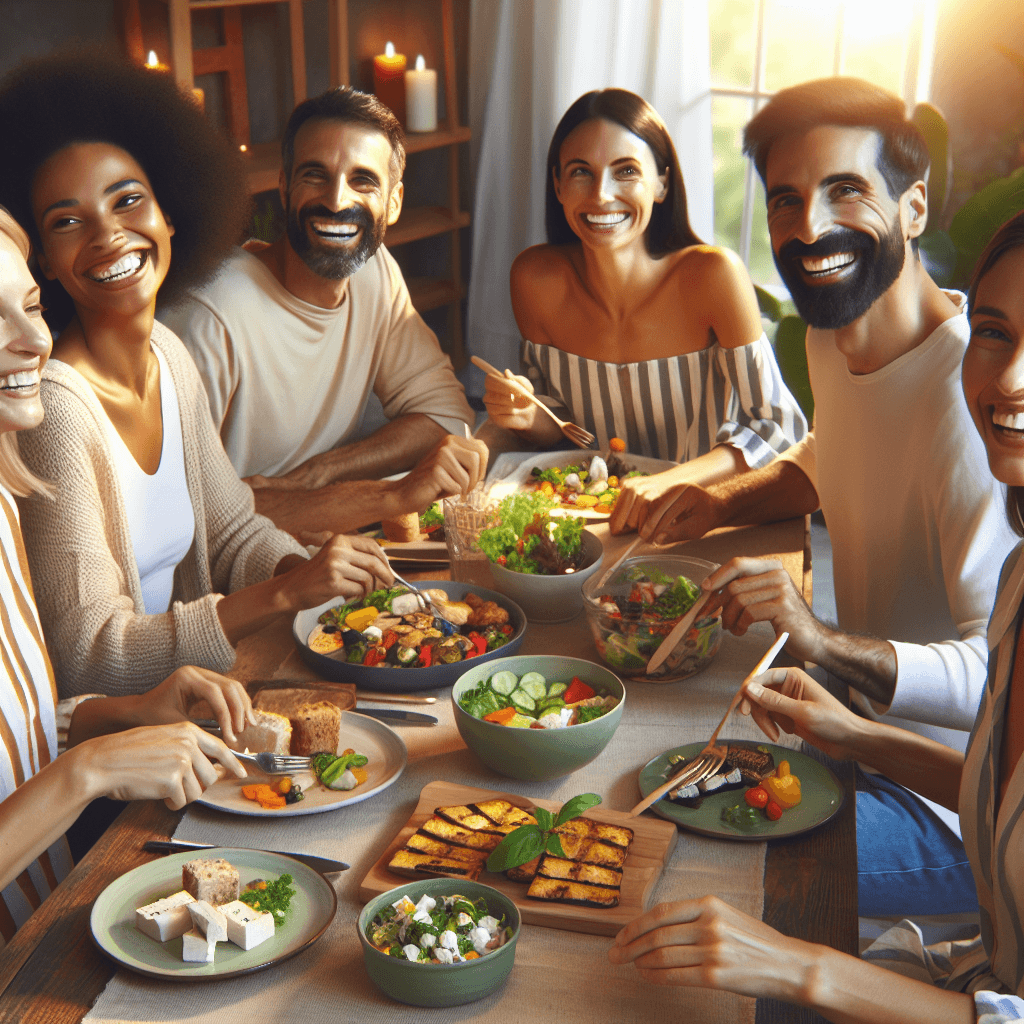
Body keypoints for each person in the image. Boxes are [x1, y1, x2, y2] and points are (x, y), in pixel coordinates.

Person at [609, 213, 1024, 1021]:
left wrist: (802, 966)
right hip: (972, 971)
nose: (1009, 379)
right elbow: (998, 798)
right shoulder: (1019, 576)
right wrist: (855, 734)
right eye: (996, 333)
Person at [0, 51, 394, 698]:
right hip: (125, 732)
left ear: (170, 214)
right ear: (41, 259)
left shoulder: (167, 355)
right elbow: (88, 657)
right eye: (67, 221)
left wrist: (315, 573)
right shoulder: (57, 409)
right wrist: (288, 592)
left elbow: (232, 531)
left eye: (128, 201)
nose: (108, 235)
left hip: (200, 690)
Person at [0, 205, 252, 946]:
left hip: (39, 924)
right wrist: (90, 770)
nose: (35, 341)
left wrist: (127, 711)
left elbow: (15, 736)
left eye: (30, 308)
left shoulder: (5, 500)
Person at [159, 86, 486, 542]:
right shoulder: (210, 316)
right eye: (315, 176)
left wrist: (320, 473)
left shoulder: (374, 272)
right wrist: (383, 496)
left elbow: (447, 417)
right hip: (231, 564)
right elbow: (176, 515)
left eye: (363, 181)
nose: (336, 201)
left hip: (319, 539)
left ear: (394, 202)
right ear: (284, 187)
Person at [480, 88, 805, 512]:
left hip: (699, 515)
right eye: (580, 172)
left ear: (662, 183)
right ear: (558, 184)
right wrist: (527, 414)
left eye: (626, 171)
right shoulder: (533, 280)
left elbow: (777, 429)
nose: (601, 194)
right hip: (585, 515)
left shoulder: (714, 276)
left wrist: (667, 484)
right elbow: (563, 428)